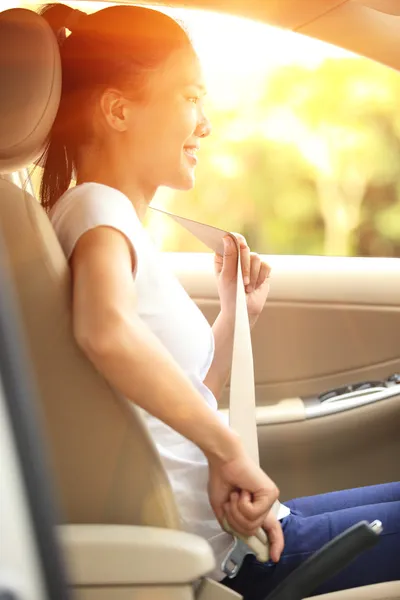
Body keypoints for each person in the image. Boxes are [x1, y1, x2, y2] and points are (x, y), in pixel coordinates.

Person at [39, 4, 400, 598]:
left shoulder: (107, 218)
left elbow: (172, 396)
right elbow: (103, 332)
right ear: (118, 109)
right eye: (189, 97)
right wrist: (228, 451)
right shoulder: (98, 211)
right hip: (238, 561)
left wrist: (237, 316)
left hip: (242, 540)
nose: (205, 122)